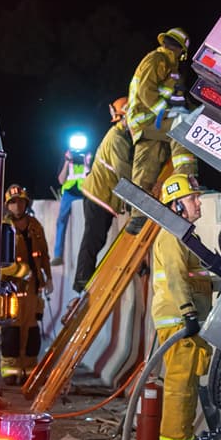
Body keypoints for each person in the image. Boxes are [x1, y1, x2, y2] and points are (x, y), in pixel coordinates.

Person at [151, 174, 214, 440]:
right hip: (179, 320)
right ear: (176, 205)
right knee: (180, 385)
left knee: (187, 384)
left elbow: (195, 276)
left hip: (186, 320)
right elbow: (176, 278)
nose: (198, 202)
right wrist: (188, 311)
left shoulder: (186, 236)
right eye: (192, 198)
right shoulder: (172, 236)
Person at [125, 27, 198, 234]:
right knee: (182, 130)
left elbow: (179, 100)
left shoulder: (170, 68)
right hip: (149, 120)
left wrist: (197, 111)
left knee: (146, 170)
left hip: (150, 124)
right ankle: (187, 182)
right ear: (182, 51)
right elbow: (145, 90)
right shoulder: (158, 60)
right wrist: (165, 113)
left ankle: (137, 218)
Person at [72, 97, 132, 293]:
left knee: (96, 238)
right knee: (93, 238)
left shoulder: (120, 136)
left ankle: (83, 278)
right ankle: (82, 280)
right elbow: (124, 171)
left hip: (99, 194)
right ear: (125, 115)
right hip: (98, 195)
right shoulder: (117, 138)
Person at [0, 184, 52, 386]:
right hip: (11, 289)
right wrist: (22, 272)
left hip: (32, 290)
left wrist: (48, 278)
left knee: (31, 333)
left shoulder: (35, 226)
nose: (17, 205)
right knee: (11, 332)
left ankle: (29, 369)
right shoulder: (4, 228)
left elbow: (44, 254)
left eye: (20, 201)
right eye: (13, 202)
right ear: (7, 205)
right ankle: (10, 370)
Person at [52, 134, 92, 266]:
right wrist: (67, 161)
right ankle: (58, 255)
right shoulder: (65, 159)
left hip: (85, 193)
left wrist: (87, 163)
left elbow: (92, 178)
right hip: (69, 194)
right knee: (61, 221)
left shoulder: (87, 158)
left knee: (90, 221)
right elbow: (61, 180)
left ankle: (87, 255)